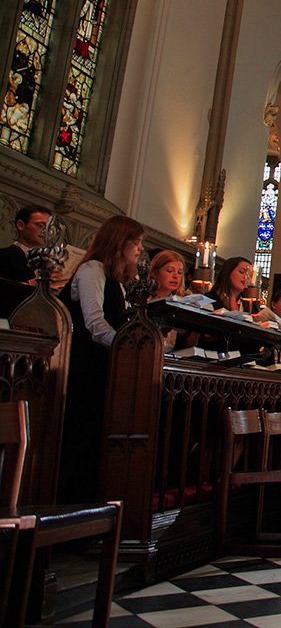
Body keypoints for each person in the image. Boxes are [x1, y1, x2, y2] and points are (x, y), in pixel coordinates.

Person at [60, 215, 144, 502]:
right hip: (85, 366)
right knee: (81, 437)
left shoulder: (117, 281)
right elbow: (95, 324)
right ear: (119, 242)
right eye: (136, 242)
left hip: (106, 366)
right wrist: (129, 349)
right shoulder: (91, 270)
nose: (140, 249)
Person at [0, 203, 51, 283]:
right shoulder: (4, 256)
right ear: (21, 225)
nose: (46, 232)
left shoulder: (43, 262)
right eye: (40, 225)